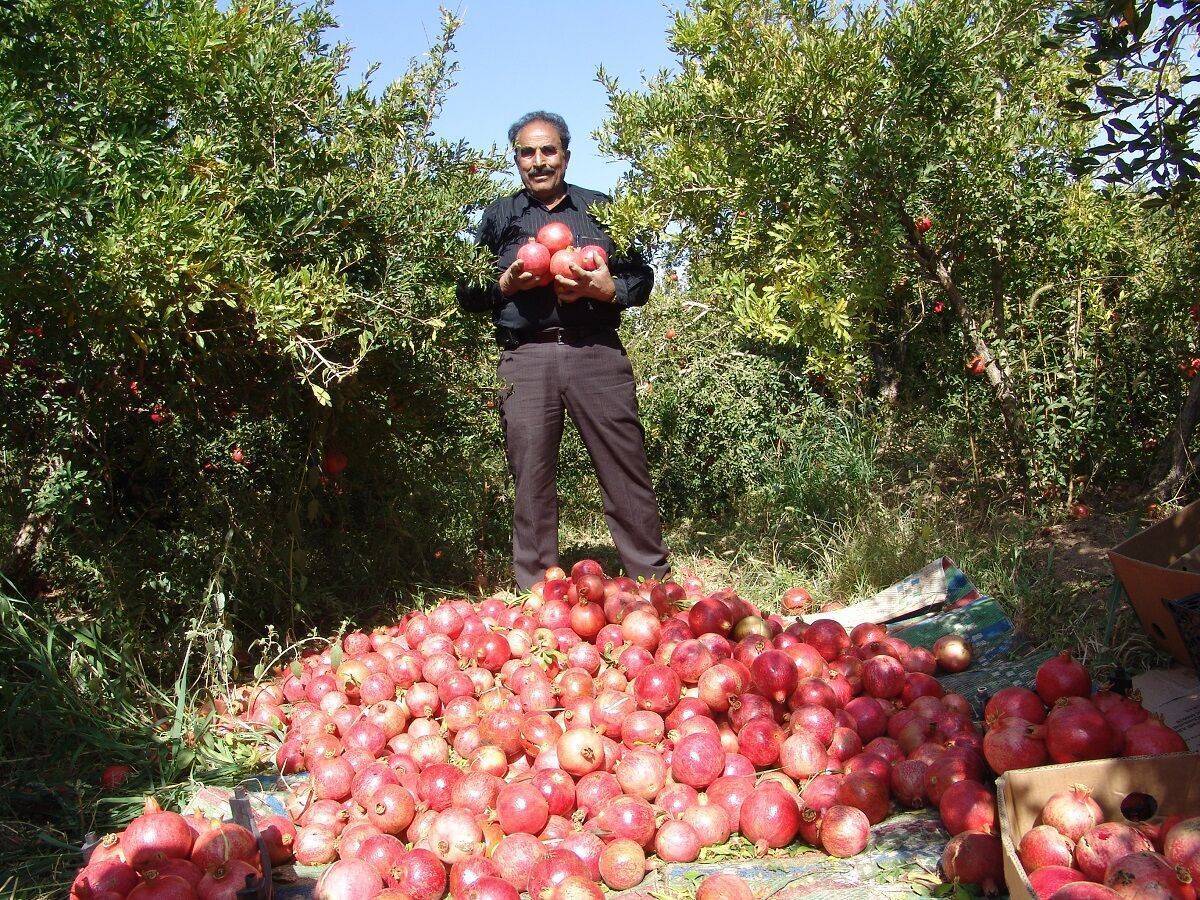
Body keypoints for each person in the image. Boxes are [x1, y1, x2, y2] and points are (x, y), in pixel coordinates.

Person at [456, 110, 670, 590]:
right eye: (527, 153)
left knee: (624, 462)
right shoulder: (499, 218)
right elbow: (466, 291)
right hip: (526, 357)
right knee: (530, 472)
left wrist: (604, 289)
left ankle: (650, 578)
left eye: (547, 150)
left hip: (595, 351)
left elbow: (641, 279)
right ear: (516, 160)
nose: (538, 161)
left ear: (566, 157)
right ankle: (538, 588)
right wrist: (505, 282)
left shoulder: (602, 208)